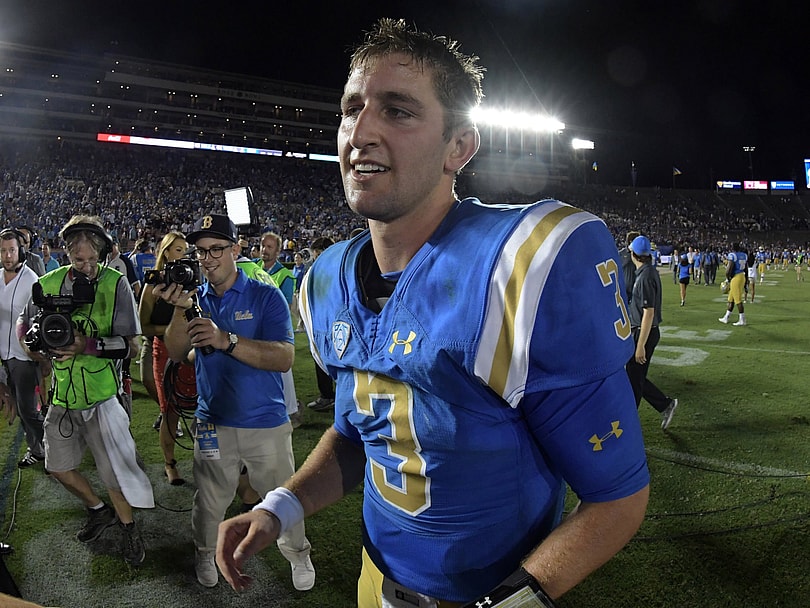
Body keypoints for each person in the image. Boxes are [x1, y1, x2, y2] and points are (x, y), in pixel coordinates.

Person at [215, 18, 649, 606]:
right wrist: (280, 506)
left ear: (458, 147)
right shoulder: (326, 280)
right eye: (351, 109)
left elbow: (618, 496)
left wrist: (513, 600)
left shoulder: (520, 268)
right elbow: (359, 432)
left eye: (398, 111)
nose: (360, 132)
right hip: (377, 582)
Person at [156, 214, 314, 590]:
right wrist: (179, 308)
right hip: (213, 421)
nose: (207, 259)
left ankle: (297, 554)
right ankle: (204, 553)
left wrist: (225, 339)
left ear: (236, 250)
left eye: (216, 249)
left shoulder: (265, 294)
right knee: (209, 501)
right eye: (201, 252)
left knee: (282, 498)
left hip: (265, 420)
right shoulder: (195, 298)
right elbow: (176, 352)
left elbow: (284, 358)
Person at [18, 215, 153, 566]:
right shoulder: (47, 284)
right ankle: (97, 509)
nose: (88, 267)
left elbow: (132, 347)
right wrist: (35, 346)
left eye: (94, 259)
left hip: (102, 395)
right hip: (62, 396)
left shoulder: (115, 283)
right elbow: (26, 325)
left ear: (103, 254)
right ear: (66, 253)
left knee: (113, 473)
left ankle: (128, 527)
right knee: (57, 466)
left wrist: (85, 345)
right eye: (79, 260)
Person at [138, 231, 192, 485]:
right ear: (166, 252)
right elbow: (144, 326)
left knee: (202, 406)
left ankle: (209, 459)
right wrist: (173, 330)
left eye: (186, 251)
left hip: (194, 351)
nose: (183, 255)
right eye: (178, 250)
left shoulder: (193, 281)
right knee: (169, 410)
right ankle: (170, 464)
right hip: (163, 351)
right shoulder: (153, 284)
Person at [624, 236, 679, 430]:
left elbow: (648, 313)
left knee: (634, 379)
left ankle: (629, 423)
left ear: (633, 253)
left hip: (644, 333)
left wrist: (640, 345)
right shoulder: (646, 272)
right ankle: (665, 404)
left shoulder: (646, 276)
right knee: (634, 376)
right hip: (643, 331)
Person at [0, 229, 44, 467]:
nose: (7, 256)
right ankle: (37, 448)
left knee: (28, 409)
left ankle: (49, 448)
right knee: (18, 406)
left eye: (12, 250)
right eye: (3, 251)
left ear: (21, 251)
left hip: (24, 356)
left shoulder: (31, 280)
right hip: (4, 356)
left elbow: (38, 320)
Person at [304, 236, 336, 412]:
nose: (314, 256)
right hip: (333, 321)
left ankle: (327, 396)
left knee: (322, 357)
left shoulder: (326, 269)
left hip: (326, 321)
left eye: (316, 252)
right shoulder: (339, 264)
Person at [719, 243, 747, 326]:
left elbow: (728, 270)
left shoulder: (732, 255)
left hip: (736, 278)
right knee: (731, 299)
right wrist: (746, 281)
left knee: (738, 300)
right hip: (742, 276)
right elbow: (746, 269)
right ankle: (726, 317)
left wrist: (728, 279)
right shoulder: (744, 255)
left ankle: (742, 319)